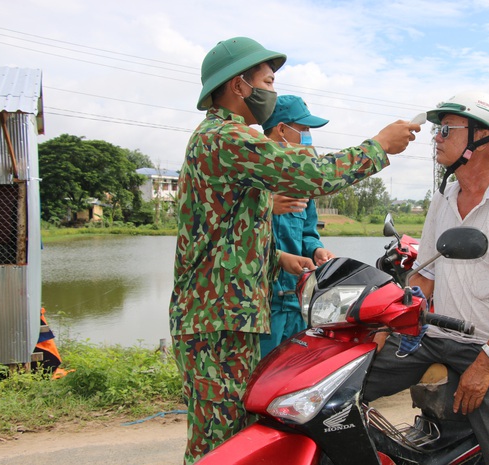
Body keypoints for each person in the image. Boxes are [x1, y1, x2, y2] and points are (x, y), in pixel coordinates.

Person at [169, 36, 419, 465]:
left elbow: (227, 238)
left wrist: (276, 258)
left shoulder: (227, 140)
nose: (272, 90)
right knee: (219, 445)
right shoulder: (223, 138)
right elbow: (306, 172)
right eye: (267, 80)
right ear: (239, 86)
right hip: (217, 321)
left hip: (228, 316)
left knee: (240, 436)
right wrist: (377, 146)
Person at [364, 91, 489, 465]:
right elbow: (426, 274)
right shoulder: (445, 197)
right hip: (437, 338)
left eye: (446, 130)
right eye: (438, 131)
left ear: (483, 138)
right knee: (347, 382)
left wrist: (485, 363)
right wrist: (389, 319)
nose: (436, 138)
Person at [259, 95, 335, 357]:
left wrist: (316, 250)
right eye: (303, 130)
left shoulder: (302, 182)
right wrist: (278, 258)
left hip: (297, 301)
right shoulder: (252, 177)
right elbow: (234, 237)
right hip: (261, 308)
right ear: (282, 129)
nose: (308, 138)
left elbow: (307, 232)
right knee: (257, 381)